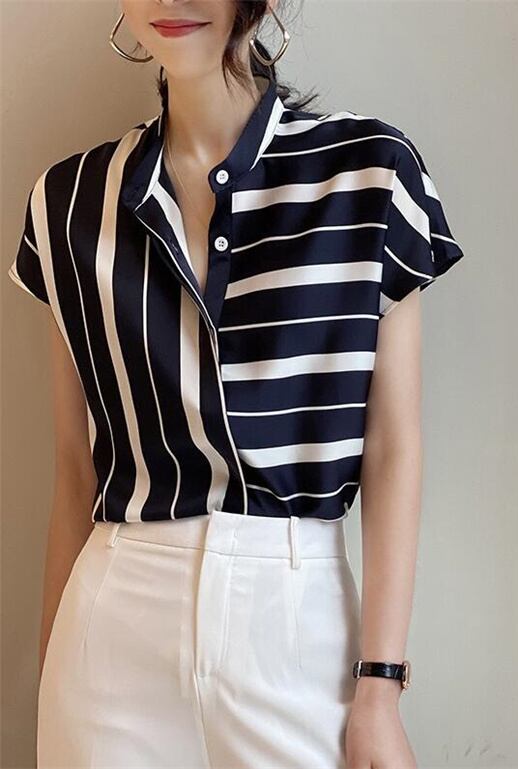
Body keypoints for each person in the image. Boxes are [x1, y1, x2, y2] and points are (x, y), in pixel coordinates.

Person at [7, 1, 465, 767]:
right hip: (111, 640)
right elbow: (75, 472)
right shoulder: (68, 203)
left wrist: (380, 688)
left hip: (296, 627)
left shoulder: (368, 174)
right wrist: (51, 685)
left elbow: (393, 448)